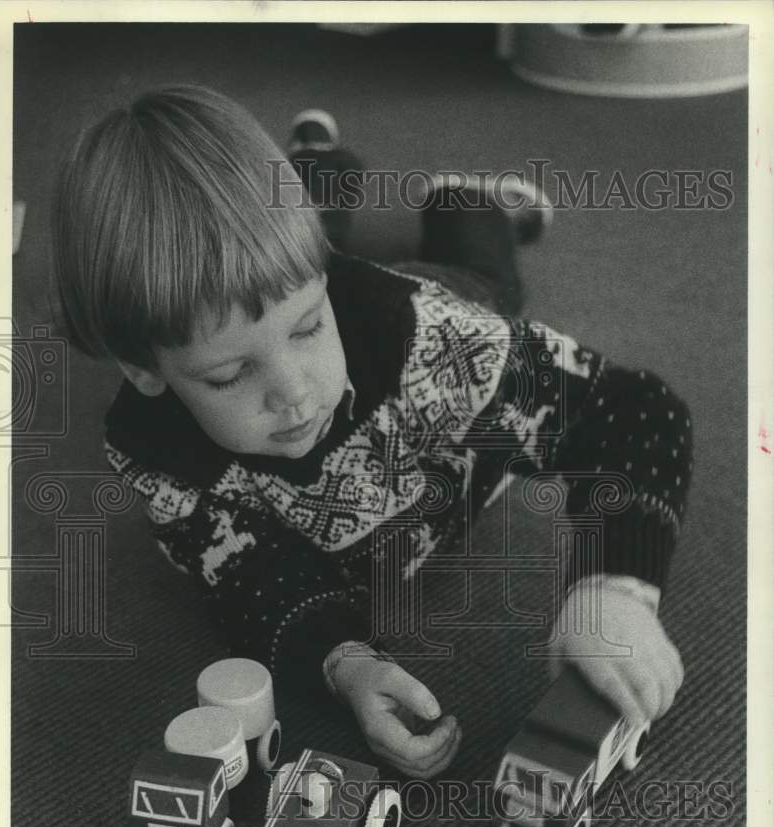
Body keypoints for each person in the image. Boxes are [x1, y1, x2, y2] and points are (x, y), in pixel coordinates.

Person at [52, 85, 692, 779]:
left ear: (323, 285)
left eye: (306, 329)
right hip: (312, 283)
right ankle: (318, 170)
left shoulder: (432, 339)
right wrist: (344, 664)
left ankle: (462, 202)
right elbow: (249, 579)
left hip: (428, 303)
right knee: (279, 269)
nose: (294, 394)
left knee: (487, 284)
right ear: (145, 370)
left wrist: (615, 588)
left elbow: (630, 408)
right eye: (228, 374)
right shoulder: (153, 452)